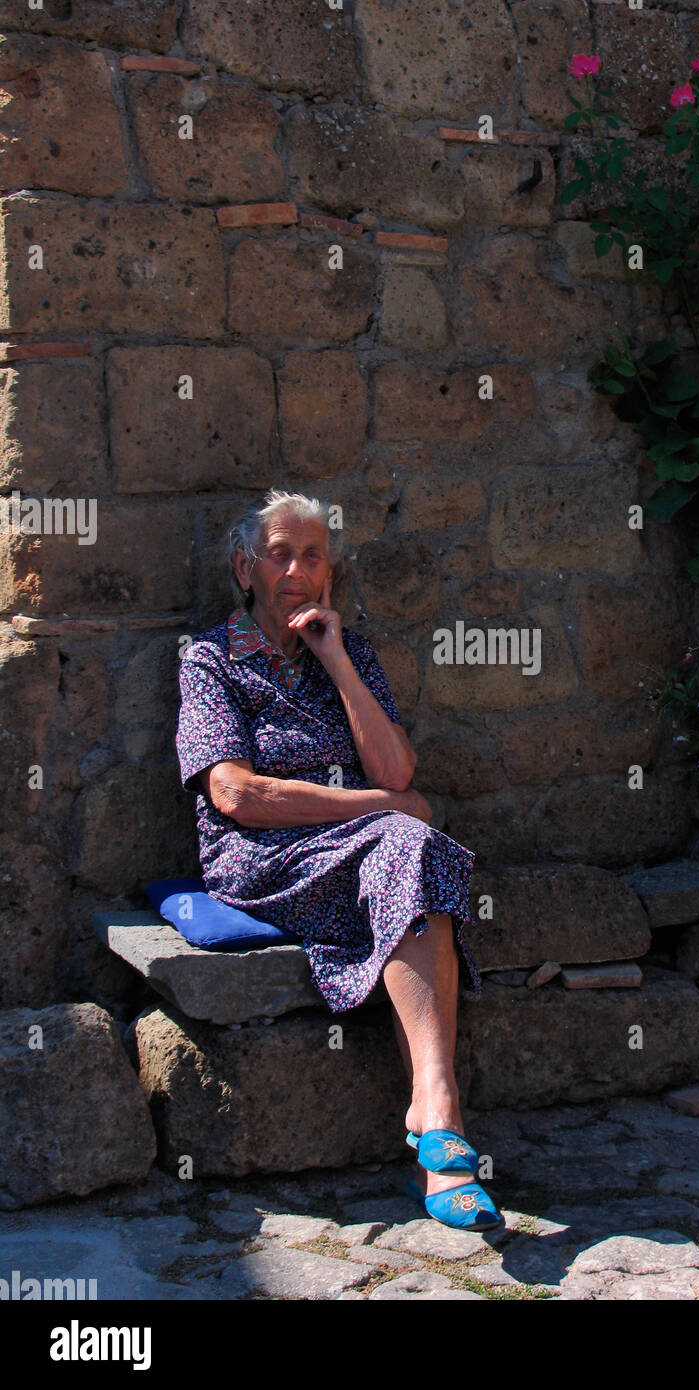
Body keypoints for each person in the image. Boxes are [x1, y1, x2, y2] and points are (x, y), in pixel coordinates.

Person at [175, 488, 499, 1230]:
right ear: (243, 566)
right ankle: (440, 1125)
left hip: (363, 853)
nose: (296, 568)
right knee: (408, 841)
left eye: (312, 555)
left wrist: (336, 660)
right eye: (279, 553)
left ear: (330, 573)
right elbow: (236, 794)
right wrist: (380, 809)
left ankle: (437, 1114)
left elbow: (396, 769)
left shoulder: (348, 652)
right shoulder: (209, 660)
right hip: (262, 859)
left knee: (412, 852)